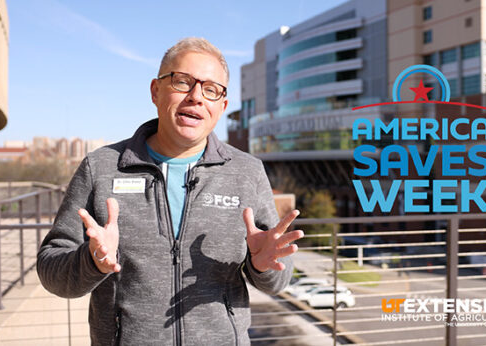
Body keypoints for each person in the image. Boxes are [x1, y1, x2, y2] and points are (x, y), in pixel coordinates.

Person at [36, 37, 304, 346]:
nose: (196, 97)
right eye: (182, 82)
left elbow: (279, 279)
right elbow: (50, 268)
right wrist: (91, 261)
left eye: (210, 89)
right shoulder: (101, 168)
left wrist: (262, 264)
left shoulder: (247, 172)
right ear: (155, 90)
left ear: (222, 106)